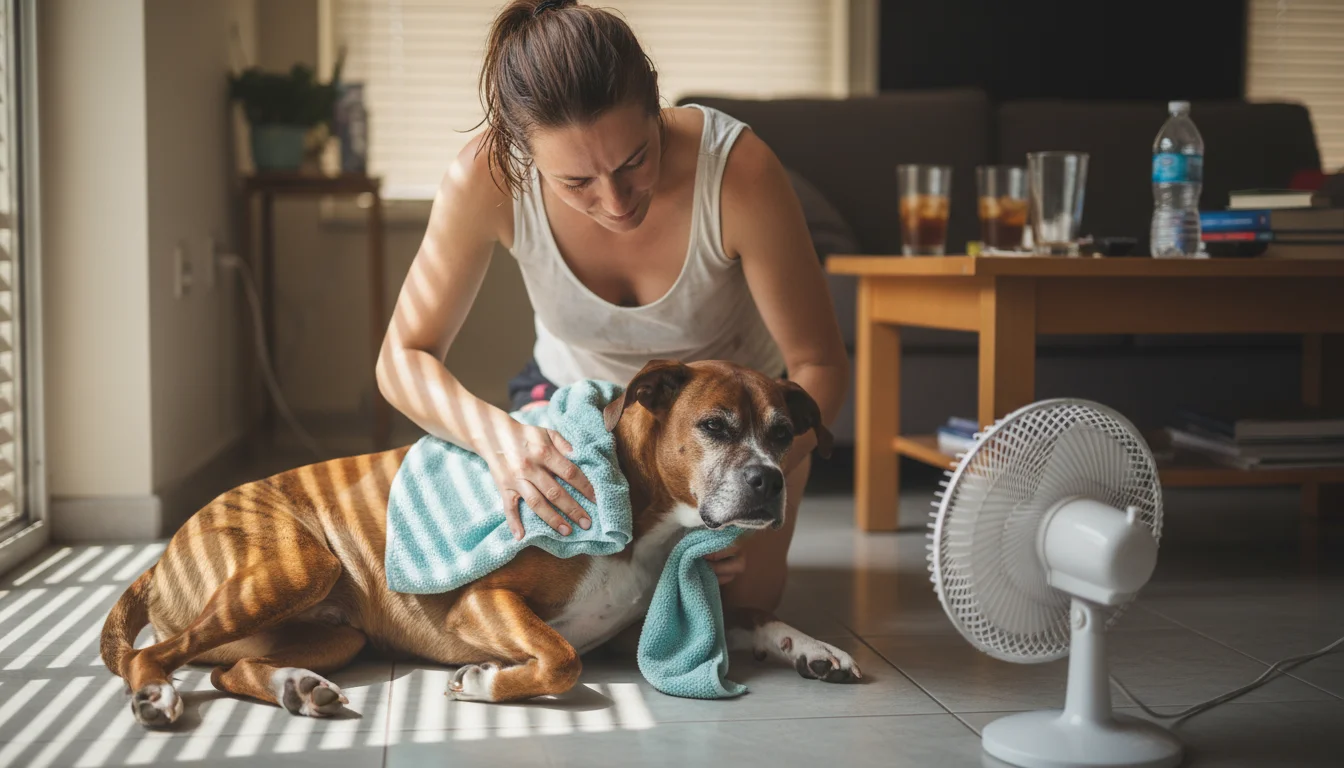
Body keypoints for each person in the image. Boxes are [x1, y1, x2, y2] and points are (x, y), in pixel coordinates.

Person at [375, 0, 847, 614]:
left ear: (656, 105)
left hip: (732, 432)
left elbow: (820, 364)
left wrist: (745, 483)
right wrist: (500, 440)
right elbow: (402, 356)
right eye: (576, 183)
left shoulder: (738, 171)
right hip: (578, 417)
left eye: (635, 160)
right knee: (556, 606)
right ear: (523, 154)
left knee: (735, 610)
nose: (618, 202)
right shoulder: (485, 178)